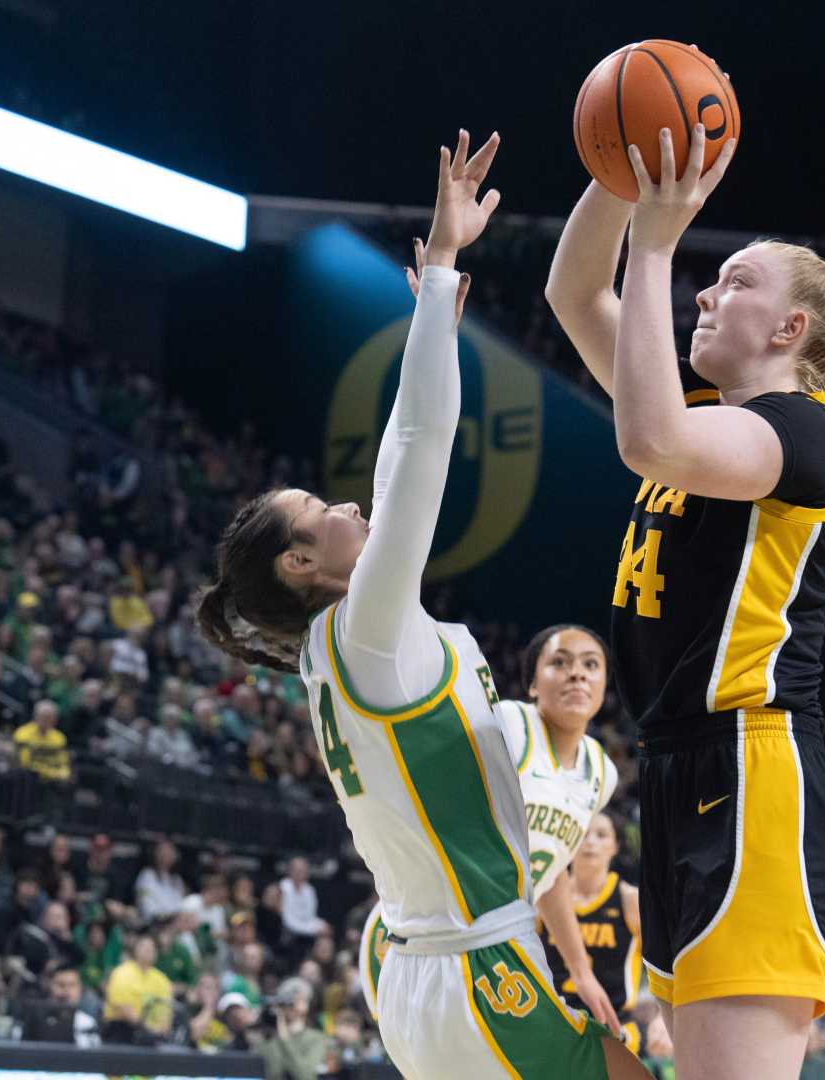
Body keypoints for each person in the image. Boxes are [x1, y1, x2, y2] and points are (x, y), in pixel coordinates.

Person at [196, 130, 644, 1080]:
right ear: (300, 566)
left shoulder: (346, 643)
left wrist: (441, 275)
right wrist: (439, 276)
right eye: (323, 512)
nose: (348, 503)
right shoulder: (364, 631)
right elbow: (425, 450)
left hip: (421, 953)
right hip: (470, 962)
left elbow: (402, 451)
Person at [546, 122, 825, 1080]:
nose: (704, 291)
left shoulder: (809, 441)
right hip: (680, 771)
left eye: (735, 283)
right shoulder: (702, 414)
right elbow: (572, 292)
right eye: (708, 275)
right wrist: (619, 171)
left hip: (756, 770)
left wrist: (655, 239)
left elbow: (648, 443)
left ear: (789, 331)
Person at [499, 624, 619, 1028]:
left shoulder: (601, 771)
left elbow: (549, 875)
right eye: (560, 663)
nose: (577, 674)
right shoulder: (510, 725)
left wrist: (580, 971)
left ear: (603, 685)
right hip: (433, 928)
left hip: (497, 935)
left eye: (591, 665)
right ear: (532, 683)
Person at [542, 811, 642, 1054]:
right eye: (584, 834)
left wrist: (663, 1018)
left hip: (615, 1025)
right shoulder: (543, 900)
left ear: (615, 846)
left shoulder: (630, 900)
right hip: (554, 1024)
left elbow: (667, 962)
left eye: (601, 835)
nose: (590, 842)